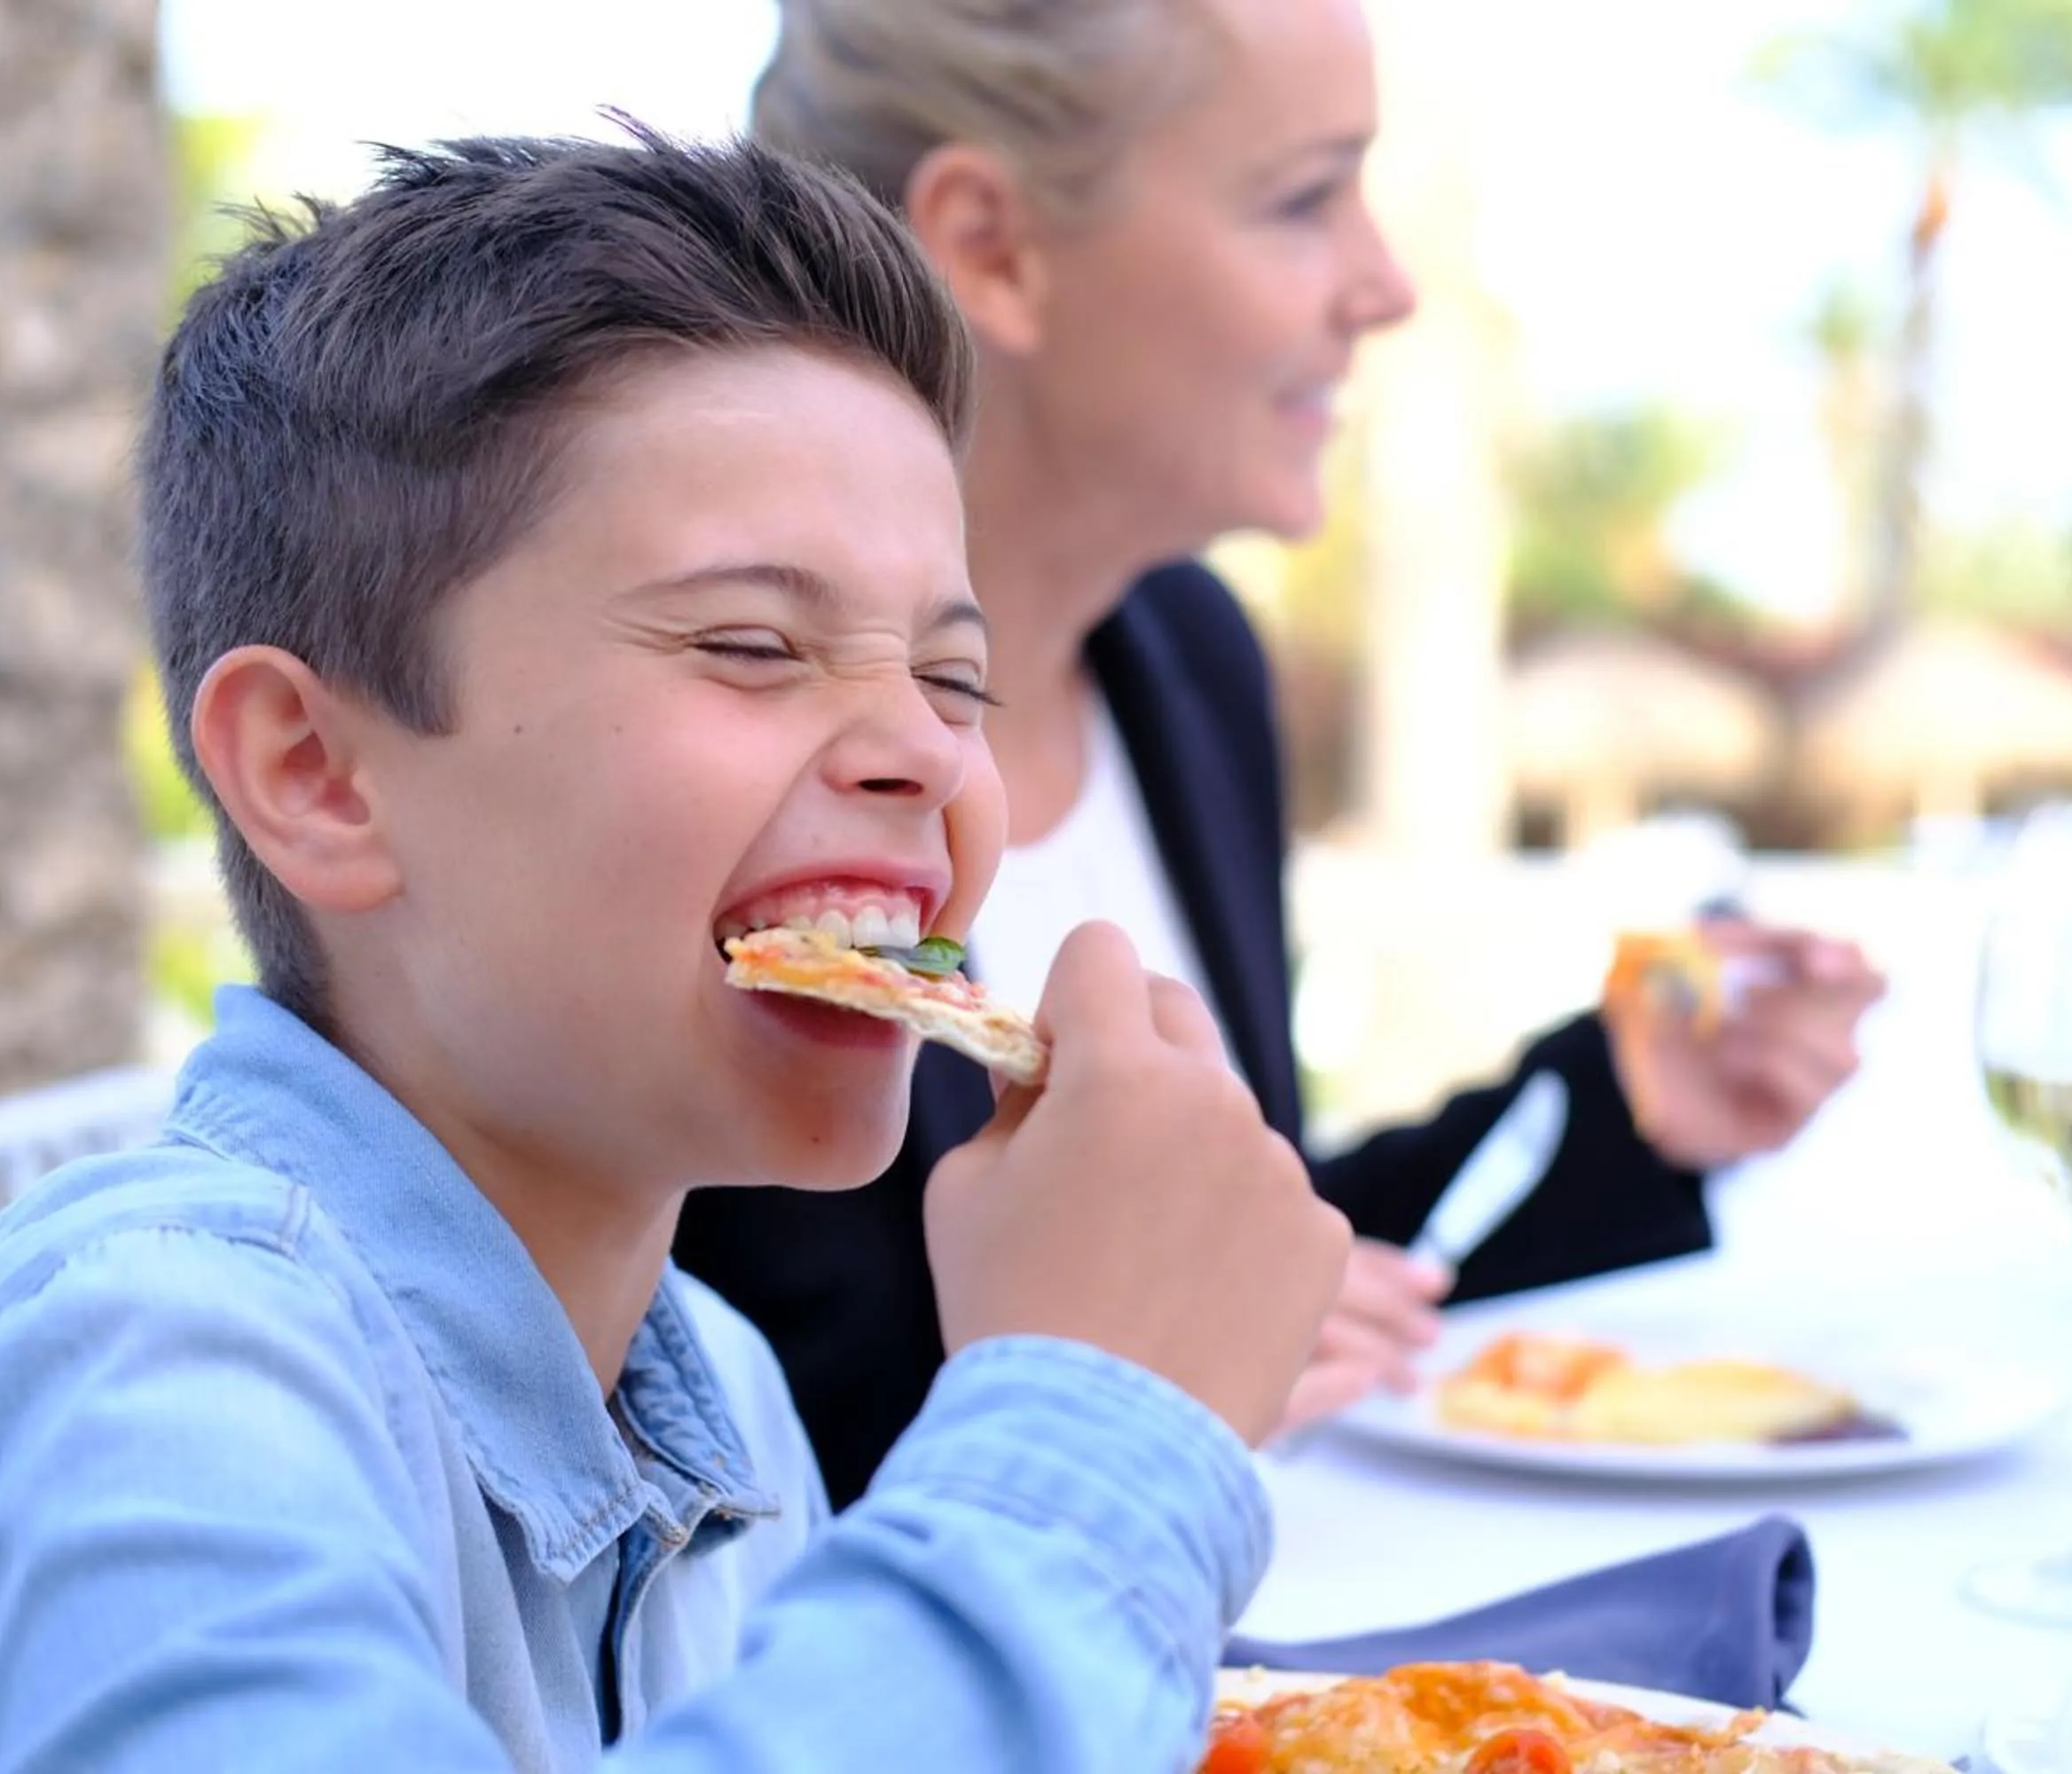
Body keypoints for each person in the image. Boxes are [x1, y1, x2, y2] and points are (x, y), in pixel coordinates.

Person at [0, 130, 1352, 1773]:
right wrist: (1092, 1428)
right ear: (316, 775)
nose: (925, 756)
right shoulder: (146, 1363)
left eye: (955, 680)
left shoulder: (723, 1401)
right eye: (752, 644)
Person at [673, 0, 1888, 1507]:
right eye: (1307, 197)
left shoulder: (1186, 661)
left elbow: (1250, 1255)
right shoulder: (725, 747)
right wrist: (1110, 1395)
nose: (1386, 285)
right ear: (993, 247)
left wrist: (1619, 1102)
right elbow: (701, 1420)